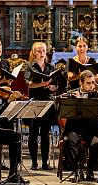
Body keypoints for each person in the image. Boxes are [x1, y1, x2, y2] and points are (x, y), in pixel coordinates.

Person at [62, 70, 98, 181]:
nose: (91, 86)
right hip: (74, 129)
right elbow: (59, 108)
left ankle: (90, 171)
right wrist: (72, 100)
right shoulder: (72, 93)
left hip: (91, 130)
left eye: (93, 82)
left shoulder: (97, 95)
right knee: (67, 140)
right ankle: (77, 171)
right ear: (81, 82)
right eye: (88, 83)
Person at [24, 42, 57, 170]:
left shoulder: (50, 67)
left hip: (47, 101)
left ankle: (44, 163)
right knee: (33, 132)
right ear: (34, 53)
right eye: (38, 51)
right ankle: (34, 163)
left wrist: (53, 87)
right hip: (34, 100)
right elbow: (28, 84)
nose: (41, 53)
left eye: (43, 50)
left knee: (45, 132)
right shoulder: (29, 66)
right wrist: (42, 84)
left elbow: (55, 85)